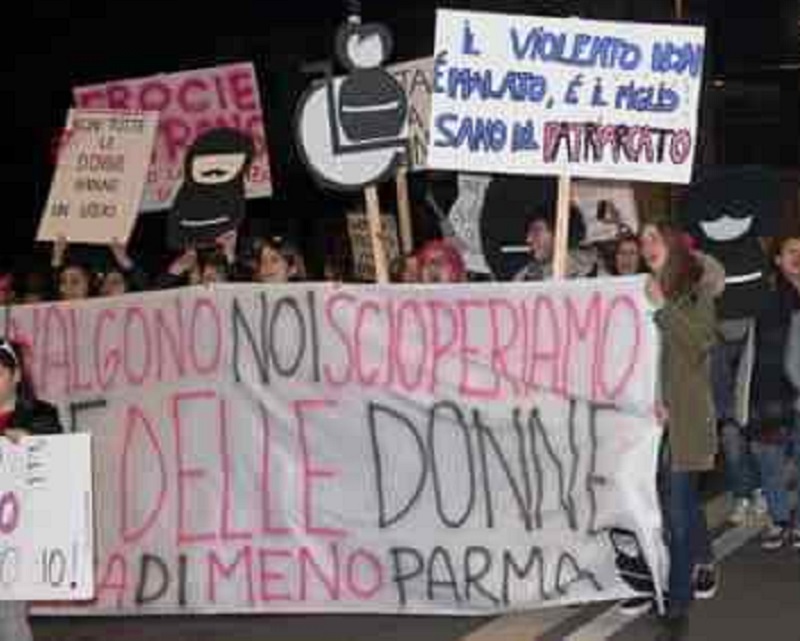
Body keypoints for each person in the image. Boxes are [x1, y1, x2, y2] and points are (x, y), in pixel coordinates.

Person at [622, 222, 719, 634]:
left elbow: (700, 343)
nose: (646, 247)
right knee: (676, 499)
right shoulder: (637, 291)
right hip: (650, 418)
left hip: (688, 420)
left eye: (654, 239)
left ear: (674, 245)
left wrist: (663, 308)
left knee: (676, 513)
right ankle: (704, 556)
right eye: (641, 241)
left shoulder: (694, 292)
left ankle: (677, 602)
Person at [0, 338, 62, 641]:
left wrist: (33, 439)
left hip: (18, 537)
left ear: (17, 376)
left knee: (9, 615)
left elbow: (61, 458)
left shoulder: (41, 414)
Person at [750, 235, 800, 550]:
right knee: (769, 457)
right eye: (791, 251)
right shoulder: (765, 296)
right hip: (770, 391)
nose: (797, 256)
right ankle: (780, 517)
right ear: (778, 260)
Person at [513, 206, 599, 281]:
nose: (529, 239)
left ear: (560, 233)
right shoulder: (525, 277)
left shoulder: (596, 274)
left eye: (536, 231)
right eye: (529, 233)